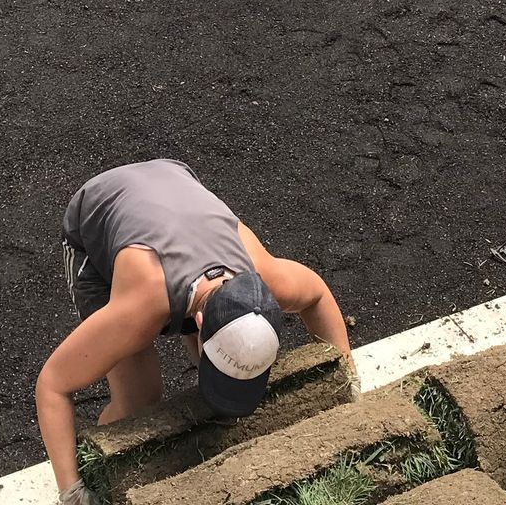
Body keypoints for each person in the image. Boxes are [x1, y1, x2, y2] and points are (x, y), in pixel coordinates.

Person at [36, 159, 352, 504]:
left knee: (216, 391)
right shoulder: (139, 308)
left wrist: (348, 382)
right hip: (98, 214)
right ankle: (97, 466)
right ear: (199, 325)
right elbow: (52, 385)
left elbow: (317, 295)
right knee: (139, 399)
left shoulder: (267, 277)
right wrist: (71, 492)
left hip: (175, 184)